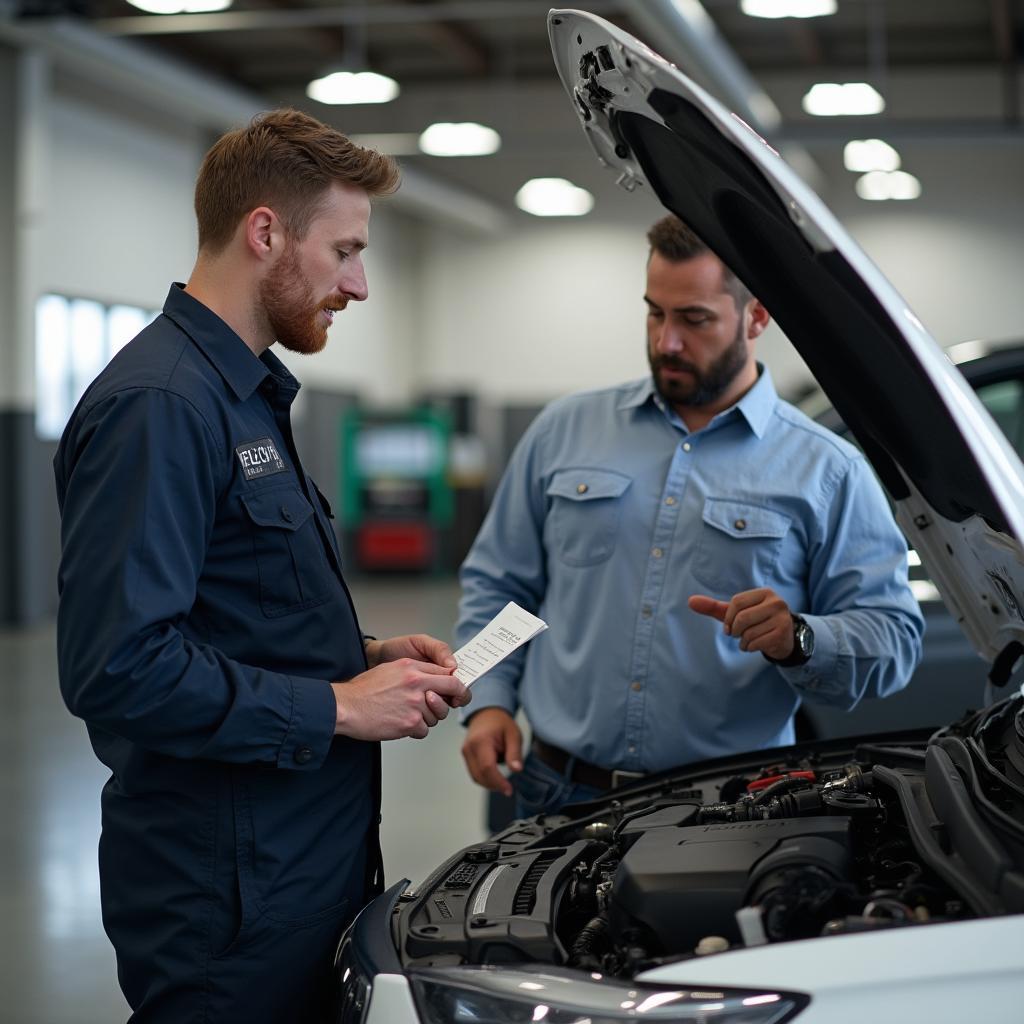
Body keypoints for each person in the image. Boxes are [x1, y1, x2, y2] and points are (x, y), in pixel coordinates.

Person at [53, 109, 470, 1024]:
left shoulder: (242, 395)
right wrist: (338, 705)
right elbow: (117, 665)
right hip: (223, 899)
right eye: (347, 251)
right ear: (266, 232)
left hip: (291, 869)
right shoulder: (161, 405)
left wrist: (354, 651)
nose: (359, 285)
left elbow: (229, 605)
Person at [456, 214, 923, 819]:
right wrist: (488, 699)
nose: (666, 342)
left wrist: (800, 638)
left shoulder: (828, 469)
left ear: (756, 316)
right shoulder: (565, 430)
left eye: (694, 319)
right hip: (551, 791)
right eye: (656, 313)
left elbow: (893, 638)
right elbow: (502, 584)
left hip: (726, 809)